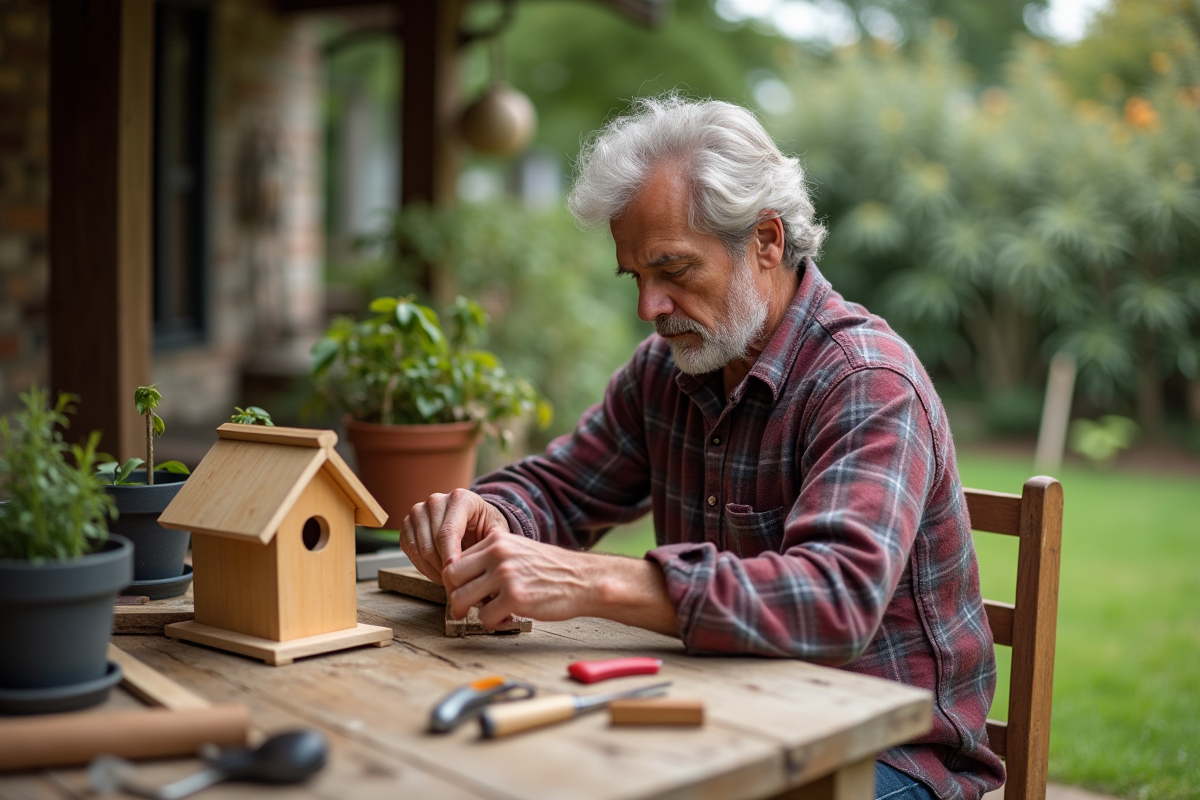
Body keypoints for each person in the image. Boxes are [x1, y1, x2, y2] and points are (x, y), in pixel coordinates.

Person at [401, 95, 1004, 800]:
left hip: (891, 756)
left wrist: (591, 582)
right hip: (727, 713)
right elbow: (561, 488)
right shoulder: (670, 367)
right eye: (635, 276)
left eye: (673, 270)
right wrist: (489, 514)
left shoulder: (867, 380)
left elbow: (835, 599)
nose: (647, 307)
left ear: (767, 242)